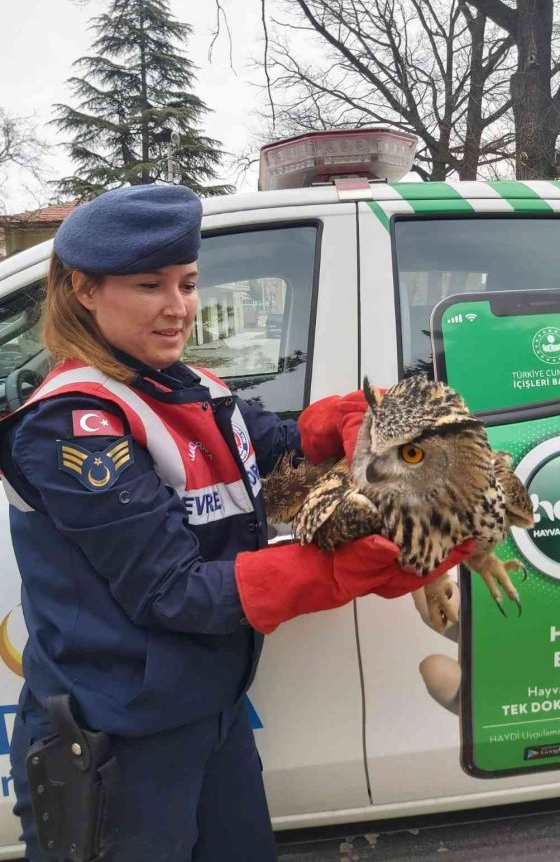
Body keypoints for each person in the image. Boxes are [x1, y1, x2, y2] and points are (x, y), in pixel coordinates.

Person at [0, 184, 473, 862]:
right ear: (84, 289)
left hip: (210, 716)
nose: (178, 307)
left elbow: (279, 448)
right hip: (119, 741)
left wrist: (357, 422)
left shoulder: (192, 386)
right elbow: (173, 592)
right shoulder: (74, 423)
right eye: (149, 285)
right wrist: (339, 569)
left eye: (188, 283)